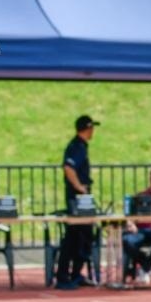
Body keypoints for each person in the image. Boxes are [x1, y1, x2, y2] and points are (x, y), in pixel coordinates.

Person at [55, 115, 99, 290]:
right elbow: (68, 168)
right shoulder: (77, 147)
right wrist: (80, 187)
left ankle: (74, 274)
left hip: (81, 200)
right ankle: (66, 276)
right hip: (78, 201)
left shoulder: (79, 146)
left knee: (80, 238)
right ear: (87, 129)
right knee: (77, 238)